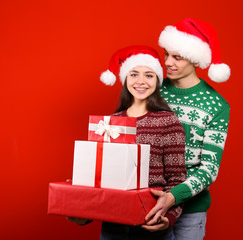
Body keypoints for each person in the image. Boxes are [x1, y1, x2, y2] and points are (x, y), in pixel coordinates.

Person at [68, 45, 187, 240]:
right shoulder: (108, 124)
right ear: (125, 79)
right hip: (113, 227)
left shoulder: (168, 121)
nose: (141, 81)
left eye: (149, 75)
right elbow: (98, 178)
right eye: (134, 75)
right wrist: (82, 212)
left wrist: (167, 218)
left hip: (151, 224)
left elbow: (177, 180)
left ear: (157, 80)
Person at [143, 18, 231, 239]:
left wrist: (173, 197)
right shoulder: (153, 90)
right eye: (167, 54)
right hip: (147, 203)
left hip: (190, 211)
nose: (168, 62)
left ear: (195, 60)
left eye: (177, 57)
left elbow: (209, 168)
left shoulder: (216, 105)